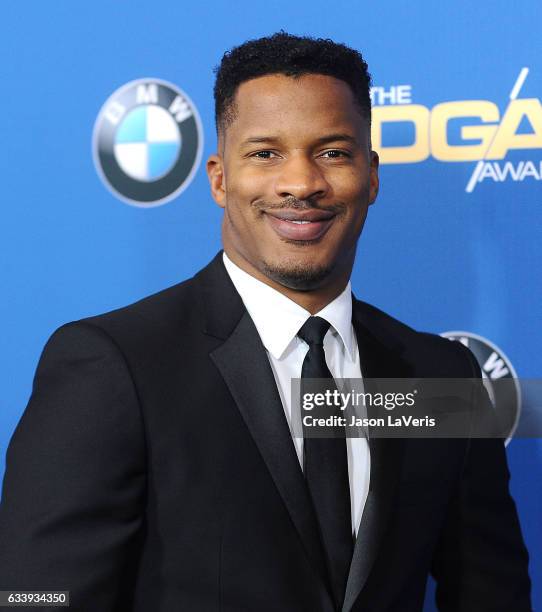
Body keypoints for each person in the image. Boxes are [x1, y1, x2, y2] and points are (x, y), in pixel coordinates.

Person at [0, 32, 531, 612]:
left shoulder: (441, 375)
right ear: (220, 179)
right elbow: (38, 598)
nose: (300, 184)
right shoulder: (114, 365)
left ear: (371, 176)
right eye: (265, 153)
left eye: (332, 152)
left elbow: (491, 592)